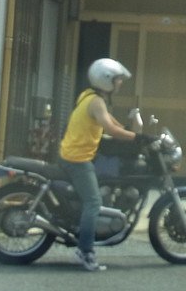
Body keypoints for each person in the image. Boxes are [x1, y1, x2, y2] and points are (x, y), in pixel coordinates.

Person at [58, 57, 145, 272]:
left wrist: (133, 132)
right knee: (94, 202)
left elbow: (113, 122)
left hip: (74, 154)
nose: (120, 83)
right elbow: (111, 129)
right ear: (106, 80)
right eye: (117, 79)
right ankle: (85, 252)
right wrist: (137, 139)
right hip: (77, 159)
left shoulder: (89, 97)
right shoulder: (96, 101)